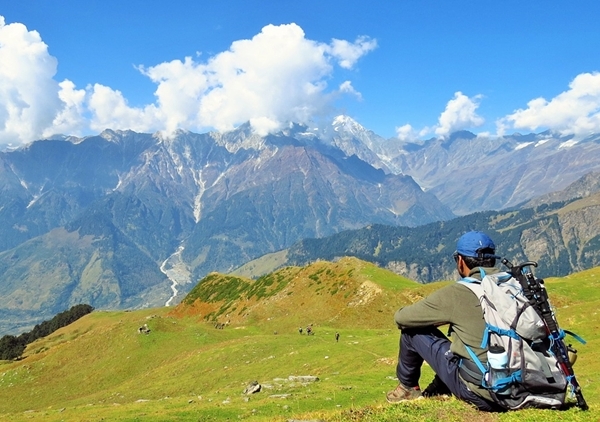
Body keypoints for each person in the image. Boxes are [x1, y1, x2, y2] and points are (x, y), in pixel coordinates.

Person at [386, 230, 505, 412]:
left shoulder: (459, 293)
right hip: (530, 385)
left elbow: (402, 318)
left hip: (485, 393)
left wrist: (434, 320)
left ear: (460, 261)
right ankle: (436, 390)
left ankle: (407, 390)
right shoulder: (518, 286)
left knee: (411, 331)